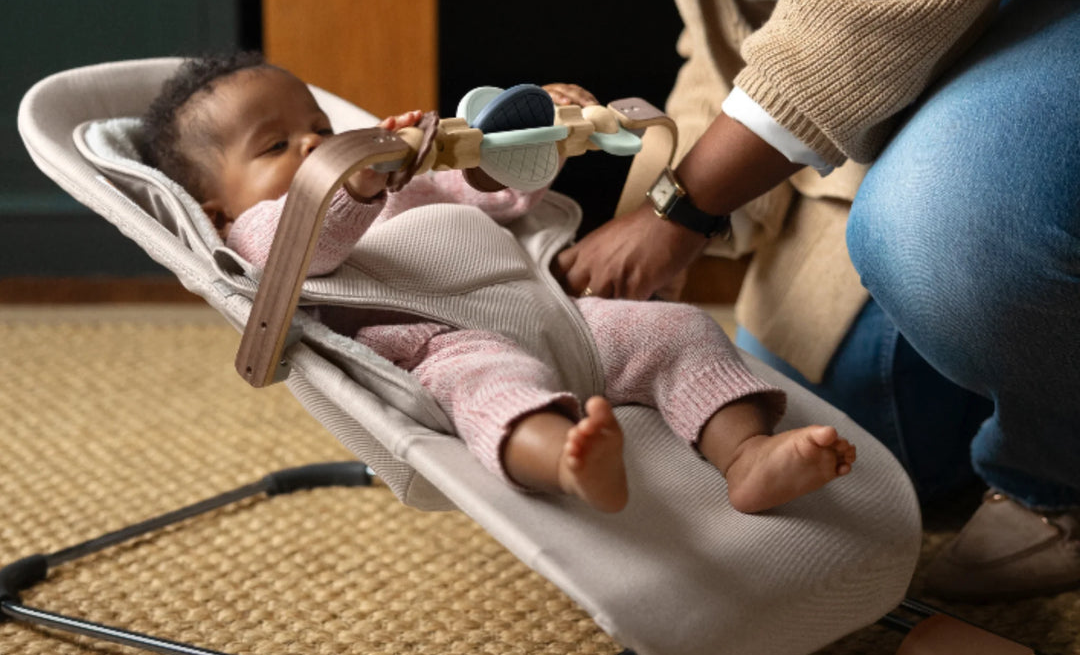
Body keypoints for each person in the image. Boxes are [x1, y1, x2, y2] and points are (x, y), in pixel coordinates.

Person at [555, 0, 1080, 597]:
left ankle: (1056, 486)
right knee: (841, 438)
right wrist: (640, 216)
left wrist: (682, 210)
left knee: (945, 234)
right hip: (901, 84)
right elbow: (729, 33)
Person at [139, 52, 856, 515]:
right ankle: (569, 465)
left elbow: (501, 200)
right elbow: (300, 249)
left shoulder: (398, 187)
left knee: (681, 331)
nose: (314, 146)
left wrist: (513, 144)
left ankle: (745, 454)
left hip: (556, 314)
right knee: (492, 392)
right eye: (276, 145)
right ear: (217, 207)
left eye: (318, 126)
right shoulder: (256, 232)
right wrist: (348, 184)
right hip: (446, 347)